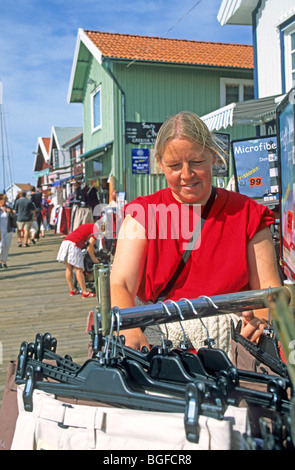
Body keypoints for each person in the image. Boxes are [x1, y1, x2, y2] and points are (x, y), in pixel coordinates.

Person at [110, 111, 282, 352]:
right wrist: (128, 326)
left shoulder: (249, 213)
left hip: (235, 346)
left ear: (213, 156)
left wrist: (262, 318)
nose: (186, 175)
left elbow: (269, 290)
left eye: (197, 162)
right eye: (174, 166)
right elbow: (121, 284)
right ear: (160, 163)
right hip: (162, 347)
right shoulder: (142, 214)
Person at [56, 222, 103, 298]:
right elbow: (89, 248)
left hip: (66, 242)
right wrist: (96, 261)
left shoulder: (89, 225)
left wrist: (94, 250)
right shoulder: (96, 230)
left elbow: (88, 244)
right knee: (79, 269)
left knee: (69, 268)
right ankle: (85, 292)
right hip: (74, 245)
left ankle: (73, 289)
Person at [0, 194, 14, 268]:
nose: (5, 201)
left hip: (8, 229)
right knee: (1, 246)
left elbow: (14, 217)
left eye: (6, 199)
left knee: (7, 246)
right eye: (4, 199)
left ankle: (4, 261)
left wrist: (11, 212)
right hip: (0, 231)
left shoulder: (8, 208)